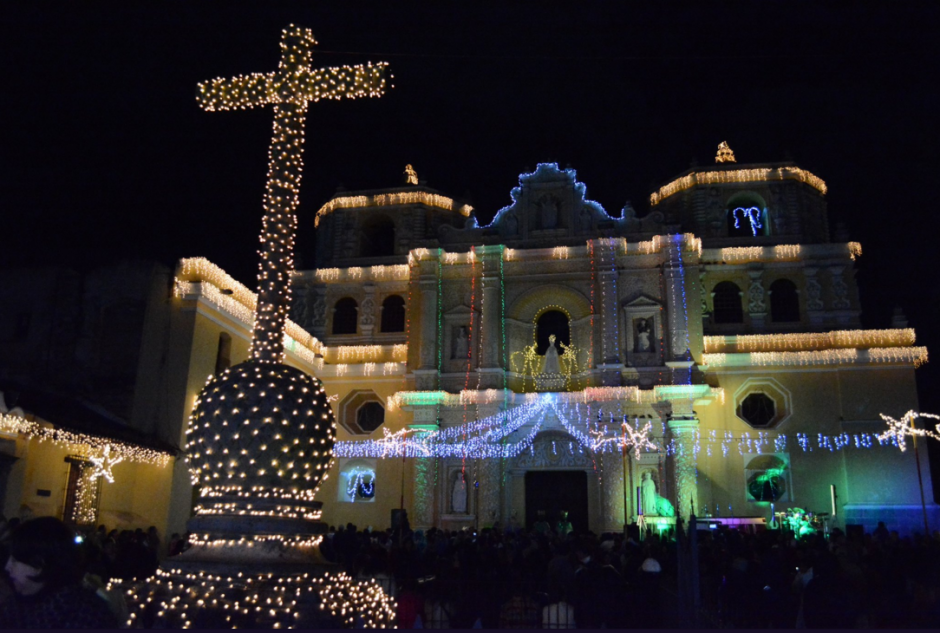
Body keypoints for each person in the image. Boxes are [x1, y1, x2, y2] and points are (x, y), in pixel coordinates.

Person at [0, 516, 117, 628]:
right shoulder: (13, 608)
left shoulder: (87, 615)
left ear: (41, 562)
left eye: (15, 560)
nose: (7, 566)